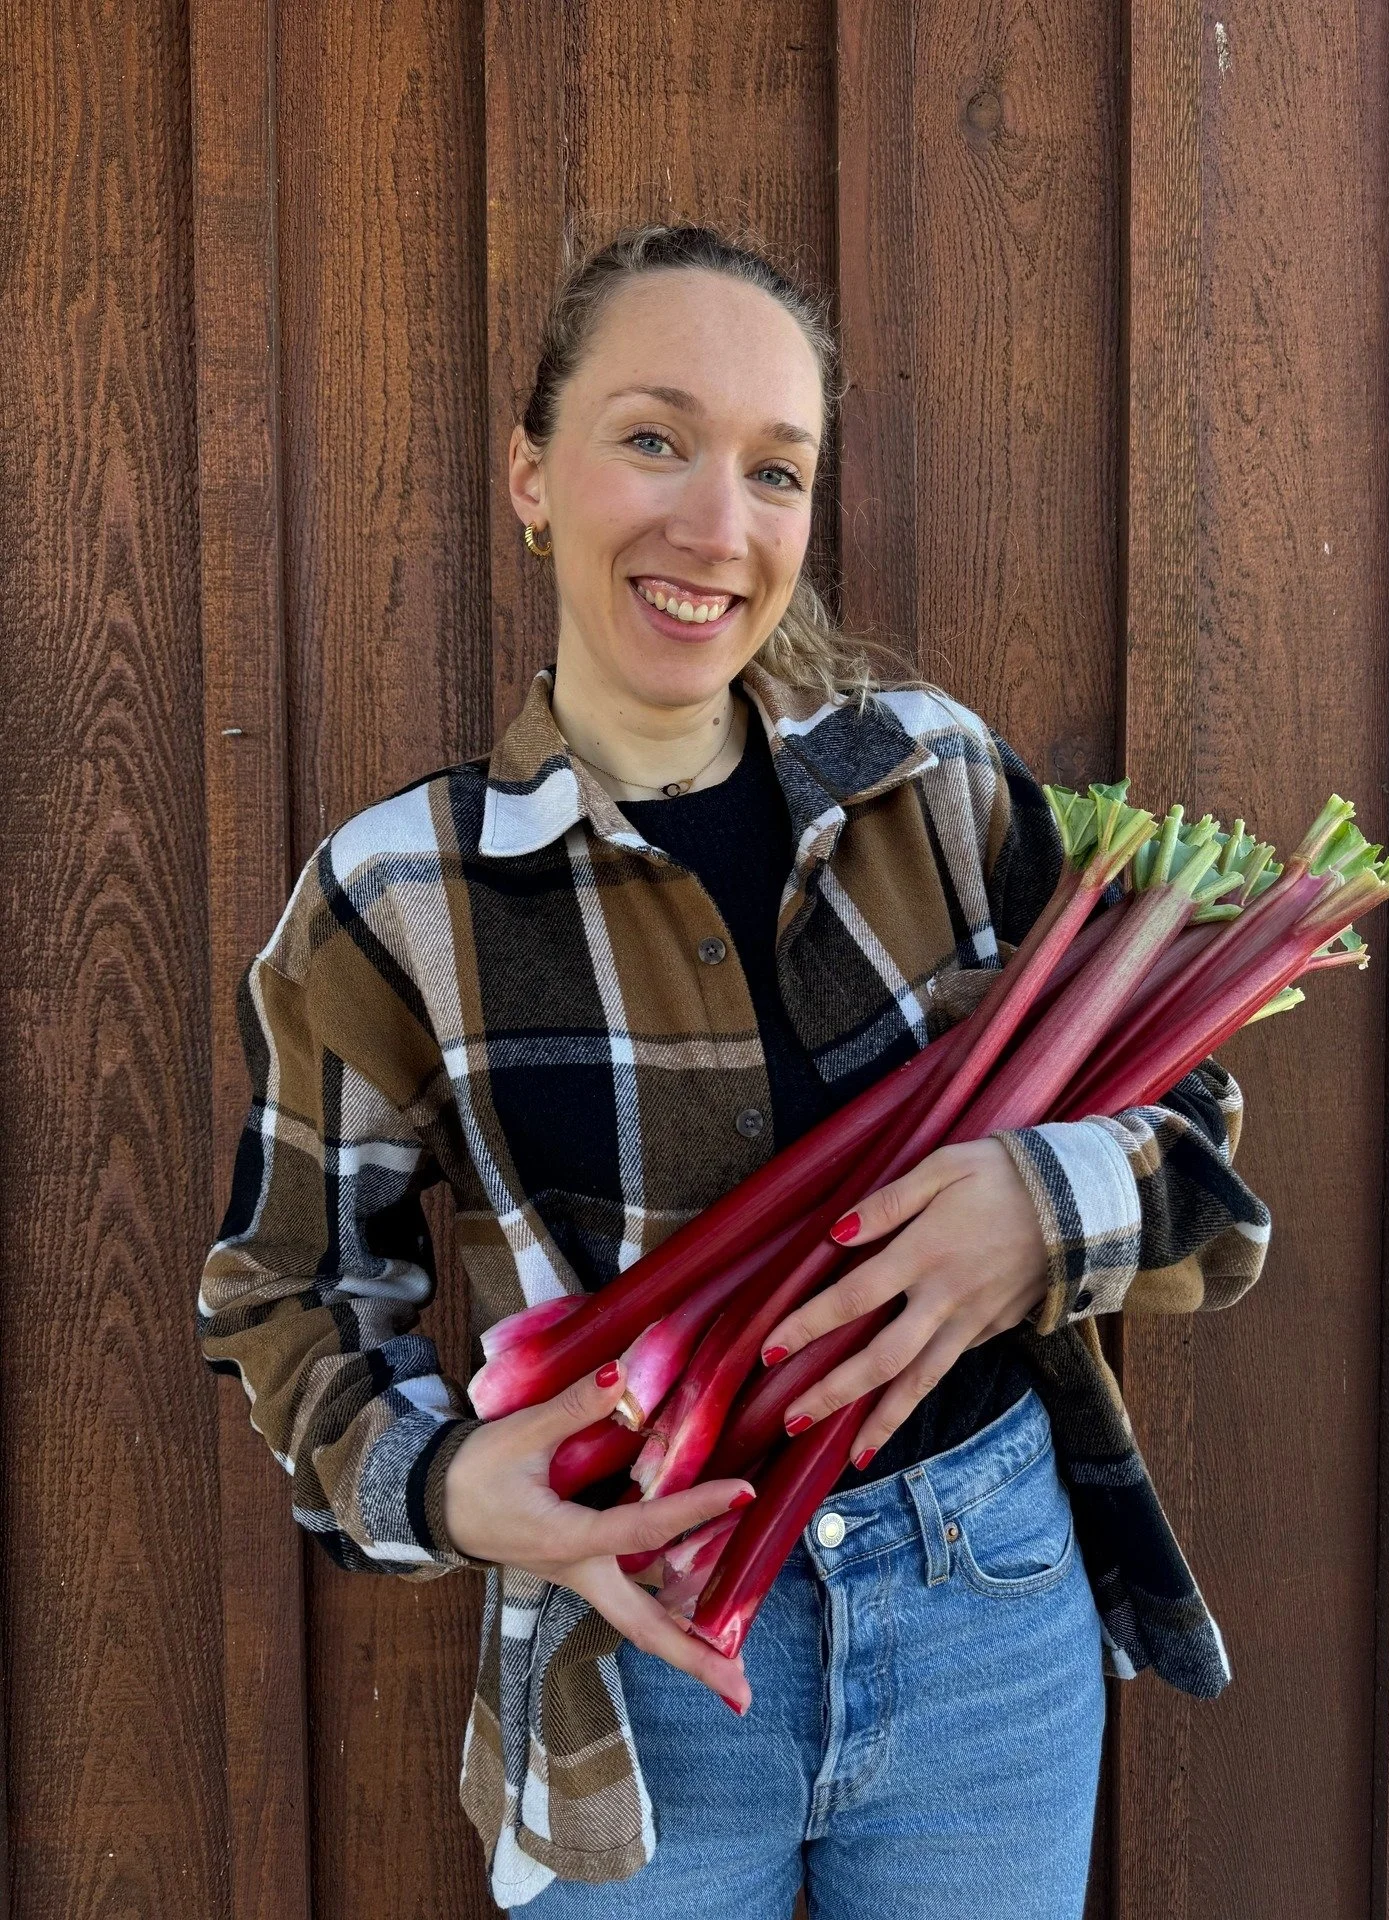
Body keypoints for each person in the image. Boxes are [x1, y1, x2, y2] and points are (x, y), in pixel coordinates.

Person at [196, 223, 1272, 1917]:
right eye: (652, 438)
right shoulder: (395, 897)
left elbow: (1195, 1127)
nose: (716, 526)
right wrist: (451, 1484)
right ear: (530, 473)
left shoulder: (935, 778)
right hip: (631, 1647)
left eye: (777, 471)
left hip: (984, 1602)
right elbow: (283, 1299)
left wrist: (1038, 1210)